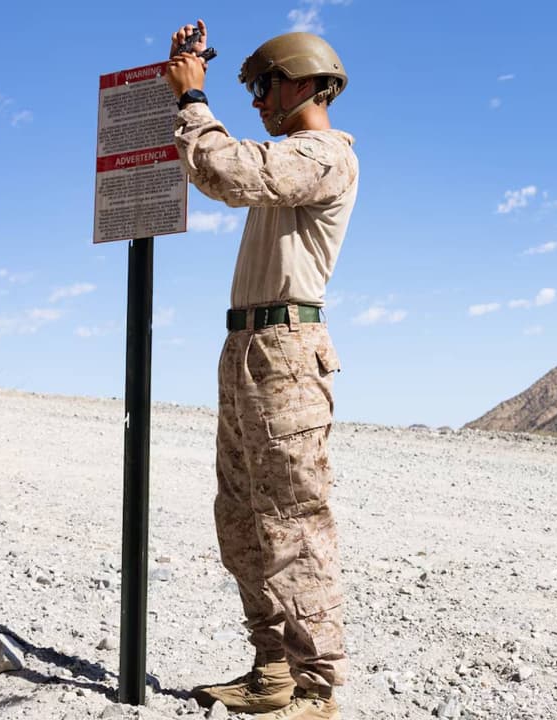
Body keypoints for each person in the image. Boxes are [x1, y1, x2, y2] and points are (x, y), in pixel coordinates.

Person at [164, 20, 358, 720]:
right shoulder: (293, 153)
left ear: (304, 82)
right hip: (248, 350)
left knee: (294, 523)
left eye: (264, 86)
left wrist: (194, 102)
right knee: (243, 517)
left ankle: (315, 691)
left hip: (285, 352)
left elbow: (229, 171)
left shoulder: (325, 154)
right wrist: (185, 74)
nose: (257, 102)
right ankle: (272, 669)